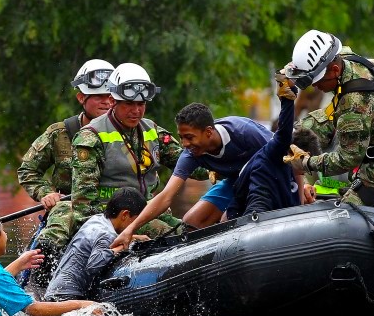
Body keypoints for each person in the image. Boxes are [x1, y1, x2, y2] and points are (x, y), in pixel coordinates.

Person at [110, 102, 274, 248]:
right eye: (181, 138)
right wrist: (130, 229)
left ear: (208, 132)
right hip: (234, 184)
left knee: (228, 221)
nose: (184, 144)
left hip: (266, 180)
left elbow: (285, 156)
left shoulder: (244, 132)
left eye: (189, 137)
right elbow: (166, 196)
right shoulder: (190, 154)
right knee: (191, 223)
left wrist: (299, 196)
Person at [282, 30, 374, 208]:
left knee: (345, 215)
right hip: (362, 130)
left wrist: (306, 163)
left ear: (335, 70)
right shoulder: (343, 57)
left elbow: (348, 159)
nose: (315, 86)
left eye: (318, 80)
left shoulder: (355, 102)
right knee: (294, 134)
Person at [18, 59, 115, 285]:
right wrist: (45, 193)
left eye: (111, 96)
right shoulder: (59, 133)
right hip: (71, 204)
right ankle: (43, 287)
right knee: (56, 228)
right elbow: (28, 169)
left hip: (116, 203)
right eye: (98, 96)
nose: (106, 102)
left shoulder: (130, 131)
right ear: (81, 97)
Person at [70, 62, 191, 240]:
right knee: (166, 233)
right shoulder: (90, 137)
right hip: (113, 218)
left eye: (141, 104)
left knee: (189, 230)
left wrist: (220, 161)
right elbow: (83, 206)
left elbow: (189, 163)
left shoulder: (152, 130)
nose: (136, 111)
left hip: (148, 209)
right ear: (112, 101)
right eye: (129, 104)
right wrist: (112, 236)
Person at [0, 208, 97, 316]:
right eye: (2, 231)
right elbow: (34, 310)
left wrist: (19, 264)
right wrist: (80, 305)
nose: (5, 235)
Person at [226, 74, 322, 219]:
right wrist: (287, 95)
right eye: (304, 168)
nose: (304, 173)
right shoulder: (274, 154)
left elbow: (296, 208)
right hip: (252, 214)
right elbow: (284, 132)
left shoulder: (294, 175)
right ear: (295, 152)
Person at [44, 187, 147, 302]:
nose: (137, 227)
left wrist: (132, 237)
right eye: (136, 220)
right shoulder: (107, 234)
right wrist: (122, 246)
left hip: (55, 291)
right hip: (67, 296)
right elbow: (94, 264)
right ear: (125, 215)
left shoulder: (96, 220)